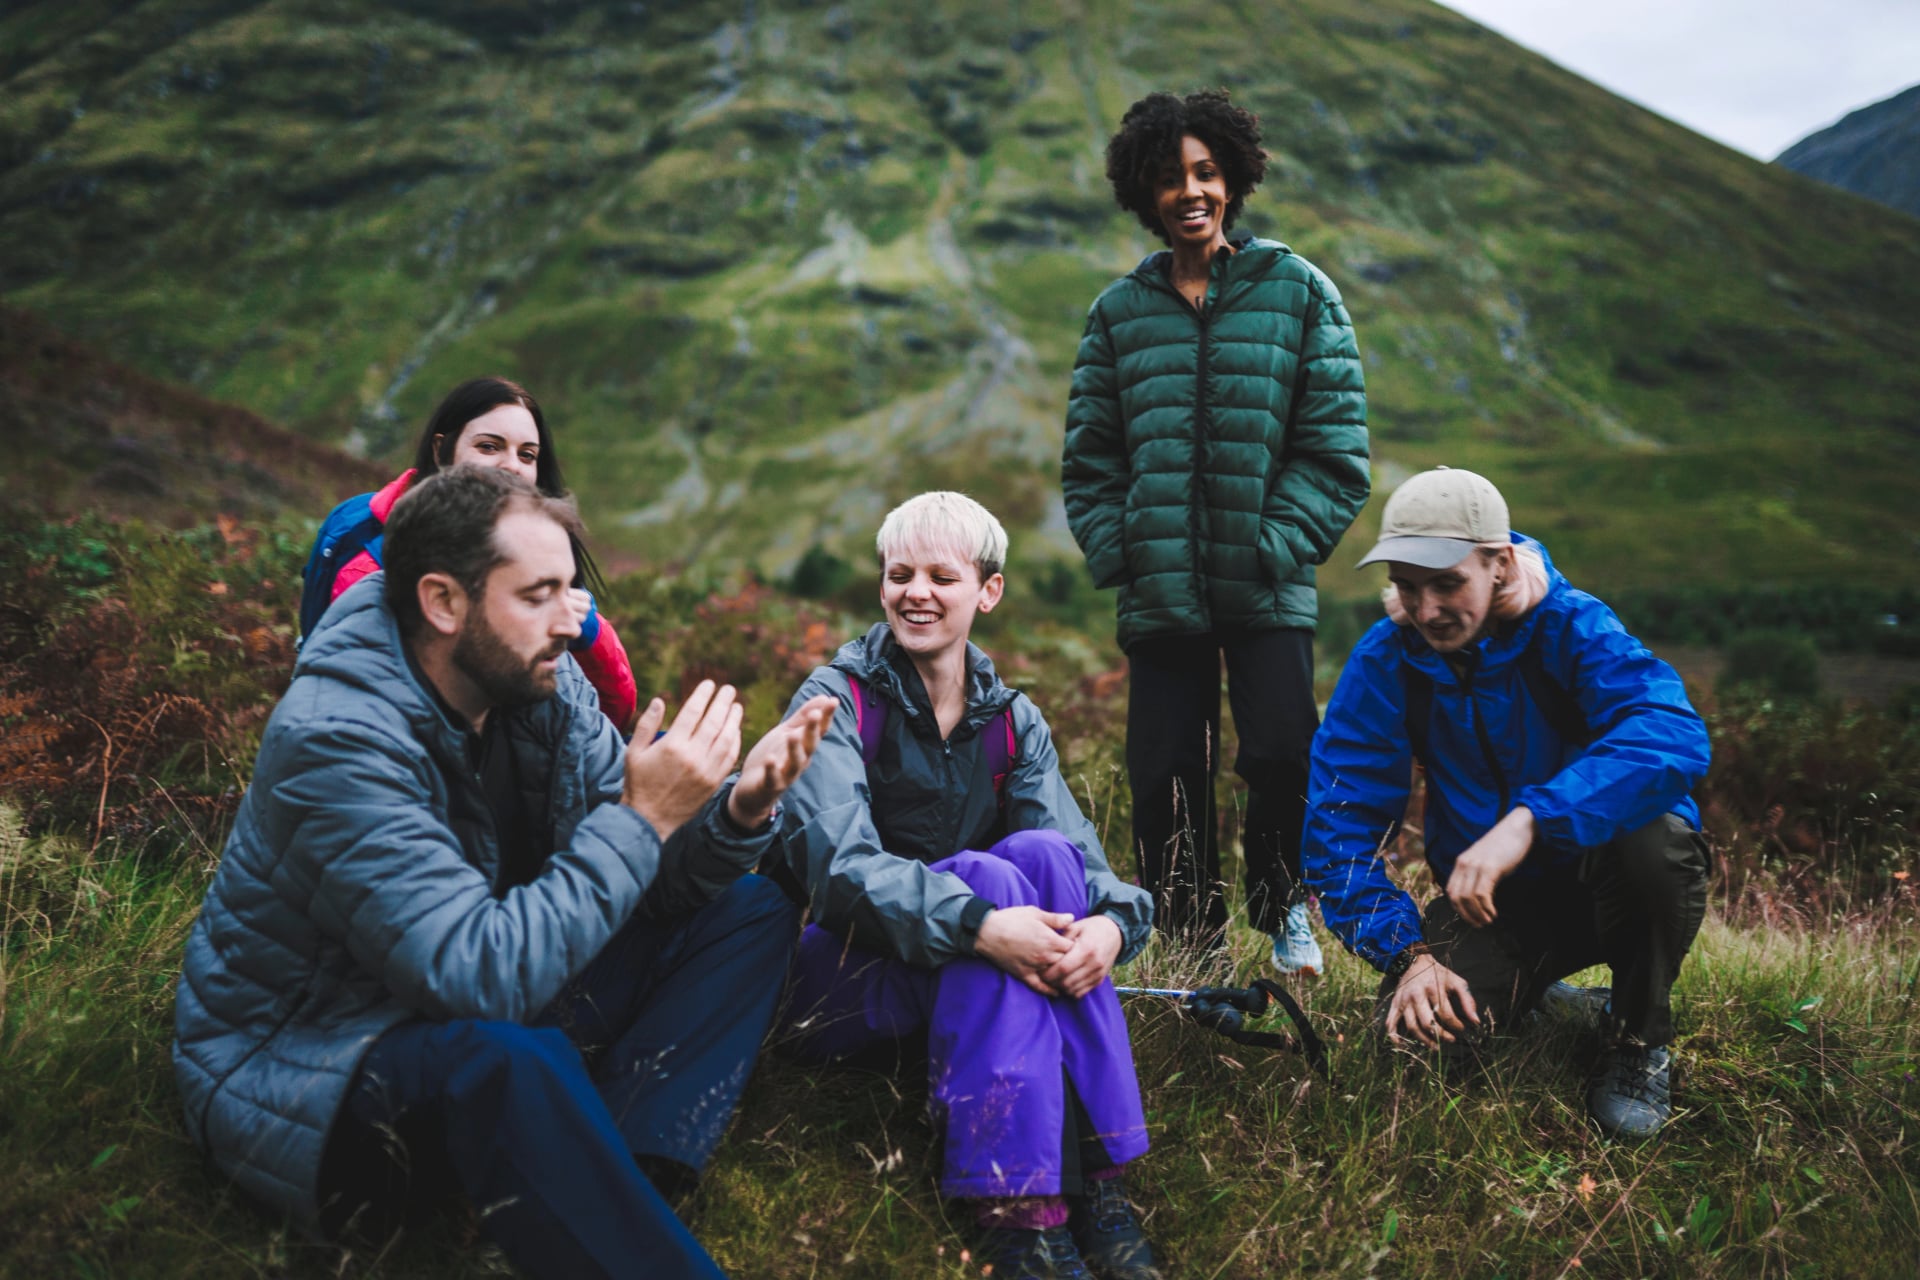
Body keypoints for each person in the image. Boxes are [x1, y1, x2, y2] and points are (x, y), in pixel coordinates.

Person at [174, 466, 840, 1278]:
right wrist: (643, 818)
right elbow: (477, 980)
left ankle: (626, 1179)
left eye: (572, 589)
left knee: (748, 907)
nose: (574, 621)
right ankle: (603, 1216)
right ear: (443, 603)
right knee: (503, 1062)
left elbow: (654, 886)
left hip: (488, 997)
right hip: (320, 1067)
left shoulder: (541, 694)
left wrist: (739, 813)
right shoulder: (337, 740)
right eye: (539, 594)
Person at [772, 492, 1160, 1280]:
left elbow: (1084, 868)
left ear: (988, 591)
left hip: (970, 984)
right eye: (899, 573)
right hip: (833, 981)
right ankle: (1016, 1210)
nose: (916, 591)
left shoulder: (1011, 720)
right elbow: (840, 875)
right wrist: (983, 923)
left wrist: (1112, 929)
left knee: (1044, 856)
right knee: (987, 876)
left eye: (941, 575)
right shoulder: (835, 700)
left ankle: (1089, 1183)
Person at [1302, 466, 1713, 1139]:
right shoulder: (1388, 659)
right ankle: (1549, 998)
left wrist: (1531, 819)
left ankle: (1637, 1039)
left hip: (1607, 883)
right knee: (1407, 1050)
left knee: (1658, 846)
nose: (1427, 609)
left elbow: (1672, 735)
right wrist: (1410, 955)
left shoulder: (1571, 627)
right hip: (1489, 908)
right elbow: (1337, 826)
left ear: (1497, 564)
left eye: (1446, 583)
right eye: (1407, 587)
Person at [1062, 88, 1370, 972]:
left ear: (1232, 179)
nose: (1190, 191)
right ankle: (1193, 941)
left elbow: (1336, 450)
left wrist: (1275, 545)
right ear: (1145, 195)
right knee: (1163, 775)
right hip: (1159, 587)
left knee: (1280, 754)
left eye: (1204, 172)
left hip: (1267, 579)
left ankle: (1281, 911)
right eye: (1169, 178)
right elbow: (1091, 460)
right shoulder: (1118, 314)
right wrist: (1124, 552)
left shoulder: (1299, 292)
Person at [300, 376, 640, 731]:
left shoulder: (541, 552)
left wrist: (584, 630)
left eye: (527, 455)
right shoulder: (369, 555)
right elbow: (362, 706)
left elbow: (611, 715)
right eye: (489, 447)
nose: (513, 466)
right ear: (441, 450)